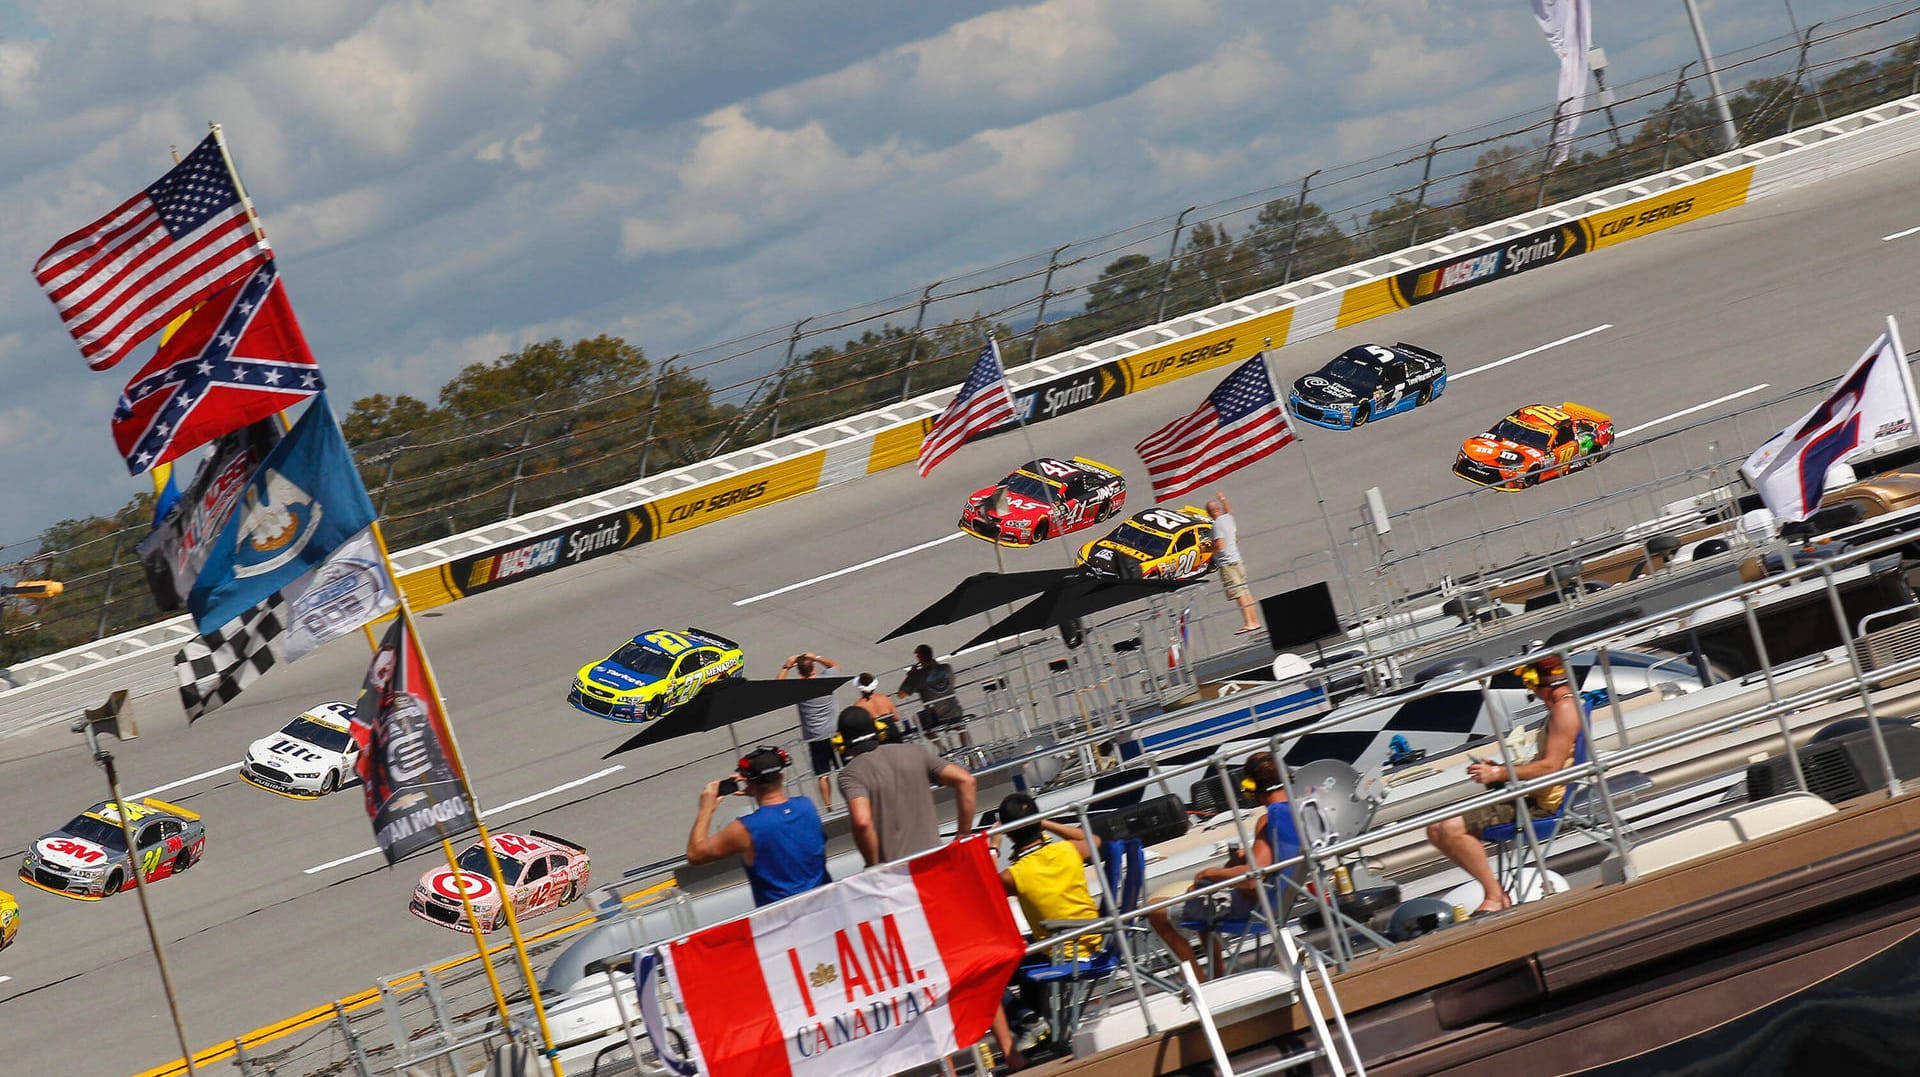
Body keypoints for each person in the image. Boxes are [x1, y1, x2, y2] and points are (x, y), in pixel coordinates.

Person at [1425, 650, 1584, 915]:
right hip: (1531, 795)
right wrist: (1501, 769)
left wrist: (1499, 775)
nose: (1532, 694)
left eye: (1531, 687)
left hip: (1542, 805)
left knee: (1450, 828)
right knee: (1435, 828)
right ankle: (1496, 893)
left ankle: (1496, 896)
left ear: (1539, 683)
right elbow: (1546, 764)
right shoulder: (1563, 708)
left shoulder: (1565, 709)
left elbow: (1551, 767)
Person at [1147, 751, 1298, 981]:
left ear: (1249, 786)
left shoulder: (1268, 820)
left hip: (1255, 908)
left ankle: (1201, 984)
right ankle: (1216, 979)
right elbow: (1268, 862)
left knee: (1156, 910)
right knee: (1202, 896)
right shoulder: (1298, 811)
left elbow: (1250, 878)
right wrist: (1243, 859)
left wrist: (1211, 872)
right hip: (1283, 899)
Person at [989, 792, 1103, 1065]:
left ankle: (1027, 1020)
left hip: (1062, 950)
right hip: (1094, 939)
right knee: (1025, 953)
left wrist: (994, 846)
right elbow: (1095, 840)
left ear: (1010, 834)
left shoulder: (1014, 875)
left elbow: (983, 888)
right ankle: (1037, 1027)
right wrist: (1045, 822)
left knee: (987, 974)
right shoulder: (1069, 850)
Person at [685, 746, 830, 908]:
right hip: (824, 907)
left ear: (748, 782)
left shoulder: (745, 828)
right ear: (781, 776)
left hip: (783, 920)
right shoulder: (807, 806)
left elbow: (695, 854)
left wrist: (706, 810)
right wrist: (756, 790)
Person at [836, 707, 976, 866]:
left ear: (841, 741)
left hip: (896, 875)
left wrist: (872, 867)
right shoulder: (914, 752)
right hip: (935, 862)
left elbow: (862, 822)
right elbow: (966, 780)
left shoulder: (851, 774)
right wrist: (963, 835)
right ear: (877, 729)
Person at [777, 650, 842, 809]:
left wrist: (786, 666)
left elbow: (778, 685)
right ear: (813, 667)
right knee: (845, 768)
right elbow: (836, 666)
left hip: (815, 736)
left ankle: (828, 806)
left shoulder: (799, 688)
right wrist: (817, 657)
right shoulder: (826, 679)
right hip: (835, 731)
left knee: (823, 774)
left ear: (799, 672)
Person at [1203, 493, 1262, 635]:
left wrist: (1206, 548)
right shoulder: (1228, 518)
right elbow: (1230, 511)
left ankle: (1249, 623)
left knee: (1239, 593)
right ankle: (1255, 621)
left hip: (1228, 564)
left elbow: (1220, 546)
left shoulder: (1216, 525)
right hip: (1237, 560)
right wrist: (1223, 499)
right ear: (1219, 509)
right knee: (1246, 591)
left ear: (1209, 514)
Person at [895, 643, 964, 739]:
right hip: (954, 709)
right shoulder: (946, 668)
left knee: (918, 719)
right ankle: (966, 743)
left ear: (919, 657)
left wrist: (911, 675)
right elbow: (952, 683)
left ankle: (940, 747)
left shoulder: (918, 675)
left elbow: (901, 694)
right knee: (960, 725)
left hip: (935, 715)